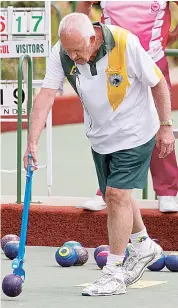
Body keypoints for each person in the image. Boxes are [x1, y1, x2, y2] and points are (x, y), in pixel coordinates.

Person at [24, 13, 175, 296]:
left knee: (117, 194)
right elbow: (45, 96)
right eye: (68, 51)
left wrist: (166, 127)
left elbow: (157, 82)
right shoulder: (63, 52)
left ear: (93, 38)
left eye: (78, 50)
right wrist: (32, 142)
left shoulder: (124, 42)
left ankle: (114, 273)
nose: (73, 57)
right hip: (101, 136)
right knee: (113, 195)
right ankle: (144, 247)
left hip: (136, 130)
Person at [76, 1, 178, 213]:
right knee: (112, 125)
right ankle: (105, 190)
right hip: (114, 64)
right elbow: (83, 6)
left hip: (153, 58)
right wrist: (85, 38)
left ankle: (168, 192)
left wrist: (173, 33)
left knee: (161, 124)